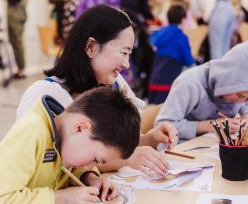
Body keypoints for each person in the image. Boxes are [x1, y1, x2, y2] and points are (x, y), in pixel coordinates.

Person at [16, 5, 178, 177]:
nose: (127, 64)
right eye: (124, 52)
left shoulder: (115, 83)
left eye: (129, 54)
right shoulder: (45, 96)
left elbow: (110, 144)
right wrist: (126, 159)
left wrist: (149, 139)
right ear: (91, 47)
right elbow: (53, 168)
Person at [0, 87, 141, 203]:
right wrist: (60, 198)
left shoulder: (66, 142)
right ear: (80, 128)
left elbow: (66, 170)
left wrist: (89, 178)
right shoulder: (31, 133)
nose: (89, 166)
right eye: (95, 159)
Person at [155, 39, 248, 141]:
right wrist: (209, 126)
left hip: (212, 146)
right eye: (240, 95)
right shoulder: (190, 82)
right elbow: (162, 126)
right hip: (180, 150)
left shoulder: (243, 93)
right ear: (227, 81)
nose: (241, 102)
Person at [148, 3, 194, 104]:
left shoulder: (159, 33)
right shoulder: (181, 37)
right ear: (183, 19)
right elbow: (189, 60)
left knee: (151, 112)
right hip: (169, 83)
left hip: (154, 81)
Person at [7, 0, 27, 79]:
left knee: (17, 43)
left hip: (16, 14)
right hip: (17, 14)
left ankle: (21, 70)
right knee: (16, 43)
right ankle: (20, 69)